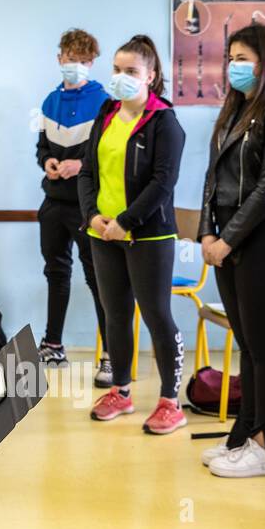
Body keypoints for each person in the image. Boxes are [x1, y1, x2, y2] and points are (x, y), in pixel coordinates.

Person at [198, 23, 265, 477]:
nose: (234, 66)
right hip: (227, 237)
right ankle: (243, 434)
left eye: (243, 58)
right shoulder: (235, 110)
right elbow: (211, 179)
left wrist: (227, 238)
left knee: (264, 347)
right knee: (245, 343)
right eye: (231, 57)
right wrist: (205, 233)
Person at [79, 35, 188, 434]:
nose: (121, 78)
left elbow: (163, 182)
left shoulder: (165, 122)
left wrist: (126, 221)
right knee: (115, 313)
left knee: (157, 314)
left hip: (148, 235)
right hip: (102, 233)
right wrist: (92, 216)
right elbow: (88, 170)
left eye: (132, 72)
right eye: (117, 70)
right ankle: (120, 392)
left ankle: (170, 401)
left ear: (151, 76)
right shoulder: (106, 113)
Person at [36, 28, 111, 386]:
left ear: (92, 63)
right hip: (52, 202)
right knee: (56, 273)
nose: (76, 66)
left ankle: (112, 354)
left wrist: (81, 165)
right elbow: (42, 148)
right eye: (70, 59)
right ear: (59, 58)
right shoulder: (49, 102)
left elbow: (107, 153)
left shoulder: (104, 102)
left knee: (99, 279)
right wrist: (48, 162)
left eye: (83, 61)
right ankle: (53, 345)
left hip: (88, 205)